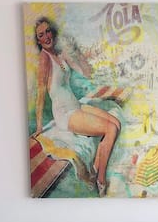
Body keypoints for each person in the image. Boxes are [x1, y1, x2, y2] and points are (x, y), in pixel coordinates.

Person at [34, 17, 120, 197]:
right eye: (41, 35)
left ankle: (95, 168)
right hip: (65, 114)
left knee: (116, 123)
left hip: (76, 106)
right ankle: (101, 181)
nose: (46, 36)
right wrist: (39, 127)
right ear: (38, 40)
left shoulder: (59, 55)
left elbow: (86, 72)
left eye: (48, 31)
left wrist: (79, 54)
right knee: (111, 129)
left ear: (52, 32)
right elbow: (41, 94)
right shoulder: (44, 59)